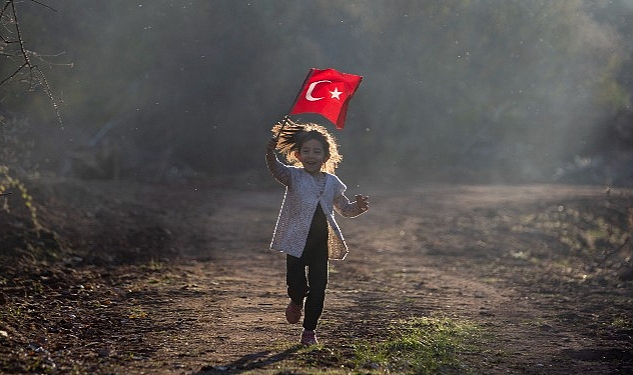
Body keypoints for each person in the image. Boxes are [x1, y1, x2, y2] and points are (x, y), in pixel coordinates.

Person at [265, 118, 369, 346]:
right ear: (298, 155)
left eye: (317, 151)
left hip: (321, 243)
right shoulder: (292, 176)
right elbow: (276, 170)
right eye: (306, 151)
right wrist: (270, 153)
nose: (311, 156)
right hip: (295, 241)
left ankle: (309, 331)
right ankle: (295, 301)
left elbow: (344, 209)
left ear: (326, 156)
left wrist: (358, 208)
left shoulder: (332, 182)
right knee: (297, 286)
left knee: (319, 288)